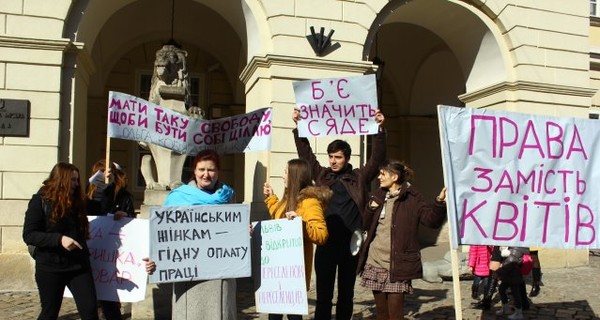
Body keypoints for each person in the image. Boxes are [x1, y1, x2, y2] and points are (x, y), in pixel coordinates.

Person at [292, 108, 386, 320]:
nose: (333, 161)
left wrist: (380, 130)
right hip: (326, 245)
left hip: (350, 247)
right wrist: (299, 128)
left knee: (346, 294)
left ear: (347, 158)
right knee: (324, 295)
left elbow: (377, 159)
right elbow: (306, 156)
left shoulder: (359, 177)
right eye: (331, 157)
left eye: (338, 157)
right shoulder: (323, 175)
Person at [145, 149, 236, 320]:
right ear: (194, 171)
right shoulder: (178, 198)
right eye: (201, 169)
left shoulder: (228, 195)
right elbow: (164, 238)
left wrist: (245, 233)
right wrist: (155, 259)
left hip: (221, 276)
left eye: (211, 169)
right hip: (189, 280)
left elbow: (234, 233)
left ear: (218, 172)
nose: (206, 175)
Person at [356, 160, 447, 320]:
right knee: (382, 314)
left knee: (395, 314)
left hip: (399, 264)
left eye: (382, 174)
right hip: (375, 260)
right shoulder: (378, 195)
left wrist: (439, 203)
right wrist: (370, 209)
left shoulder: (412, 198)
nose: (379, 177)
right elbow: (366, 224)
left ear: (395, 176)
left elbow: (431, 221)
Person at [22, 162, 99, 320]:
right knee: (50, 313)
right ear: (61, 180)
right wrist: (59, 239)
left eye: (77, 180)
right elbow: (29, 234)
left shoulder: (78, 201)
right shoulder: (40, 201)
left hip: (78, 266)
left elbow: (100, 208)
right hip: (50, 267)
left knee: (90, 310)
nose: (76, 184)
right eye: (72, 180)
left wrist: (117, 211)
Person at [263, 158, 331, 320]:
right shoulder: (288, 198)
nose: (282, 176)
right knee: (274, 316)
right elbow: (279, 218)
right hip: (277, 271)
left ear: (295, 176)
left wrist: (302, 224)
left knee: (294, 317)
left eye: (286, 172)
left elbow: (321, 235)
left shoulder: (309, 202)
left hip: (294, 275)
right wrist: (271, 198)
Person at [86, 161, 135, 320]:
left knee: (110, 301)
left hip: (115, 254)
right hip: (95, 252)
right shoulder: (89, 195)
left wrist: (124, 216)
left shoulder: (124, 196)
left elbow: (132, 226)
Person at [493, 246, 529, 320]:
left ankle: (519, 313)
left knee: (515, 293)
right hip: (509, 274)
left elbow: (511, 261)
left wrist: (498, 272)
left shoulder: (518, 247)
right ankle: (506, 308)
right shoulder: (512, 245)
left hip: (514, 274)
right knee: (501, 289)